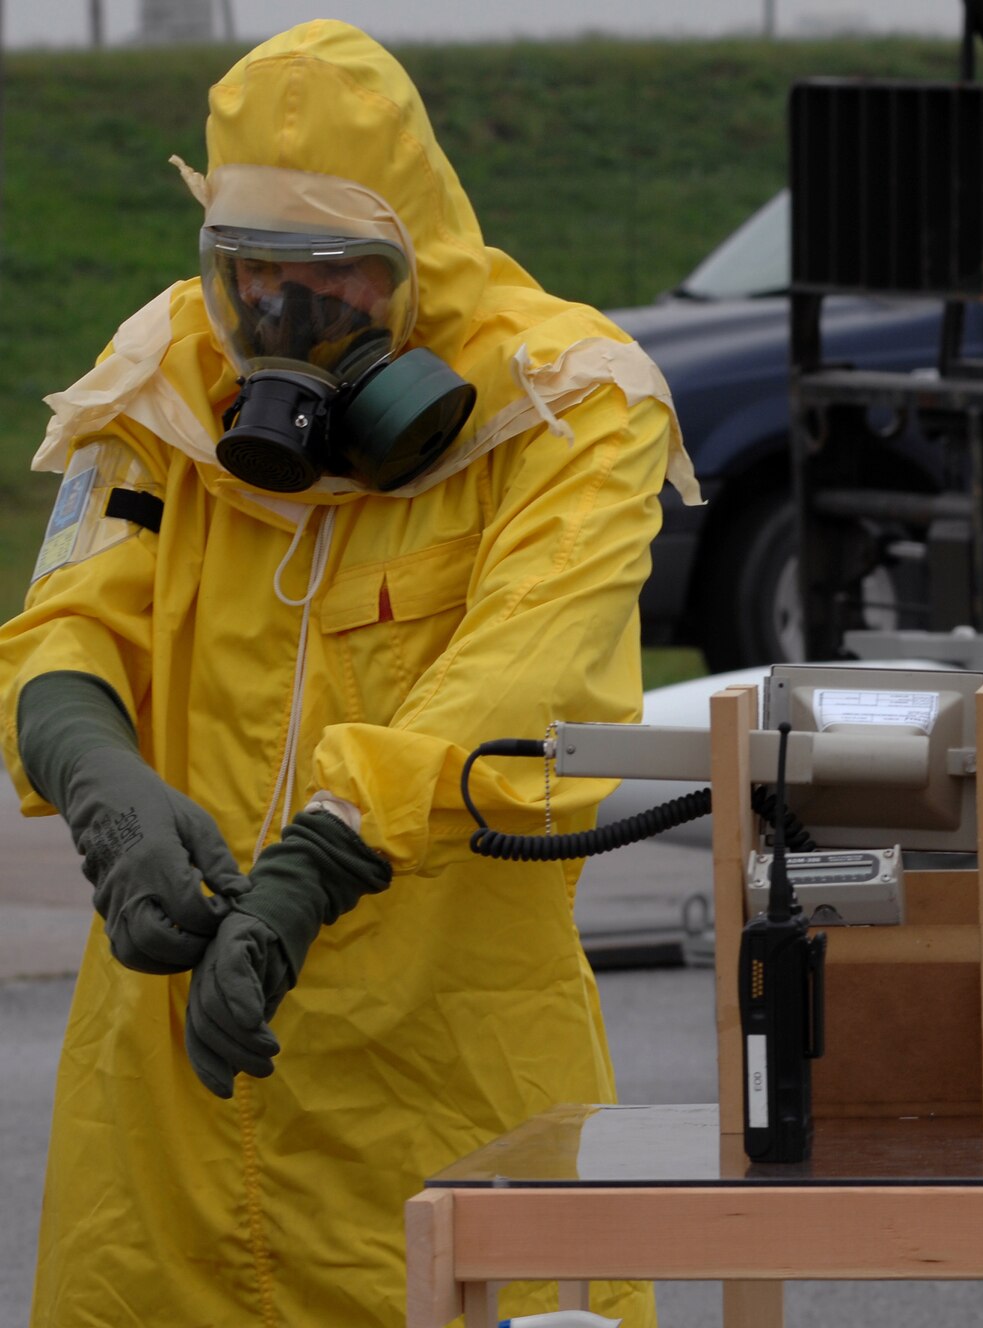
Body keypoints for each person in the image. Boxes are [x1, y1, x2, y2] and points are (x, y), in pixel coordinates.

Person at [0, 20, 699, 1326]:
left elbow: (517, 675)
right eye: (249, 278)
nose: (285, 319)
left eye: (337, 279)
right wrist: (94, 774)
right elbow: (71, 614)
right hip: (172, 1119)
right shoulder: (165, 376)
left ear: (418, 262)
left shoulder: (566, 405)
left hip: (444, 1099)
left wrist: (321, 859)